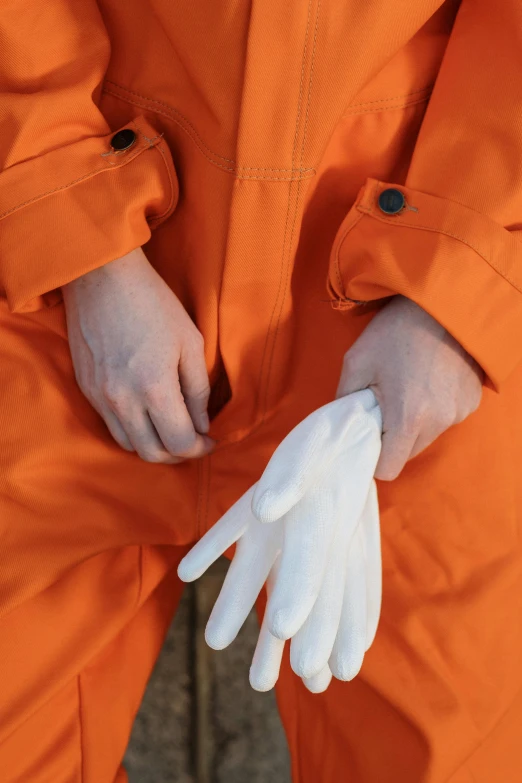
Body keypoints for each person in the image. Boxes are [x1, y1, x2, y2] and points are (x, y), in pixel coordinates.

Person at [1, 1, 521, 781]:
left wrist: (457, 291)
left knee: (448, 752)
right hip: (81, 257)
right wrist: (80, 241)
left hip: (407, 287)